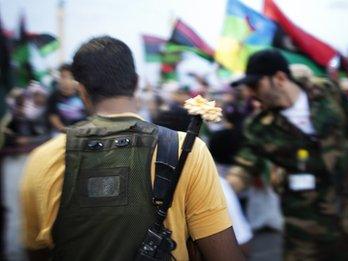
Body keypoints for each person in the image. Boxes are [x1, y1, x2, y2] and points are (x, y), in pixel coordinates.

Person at [20, 36, 244, 261]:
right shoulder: (187, 150)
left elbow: (36, 252)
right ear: (136, 83)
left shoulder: (42, 159)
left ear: (82, 91)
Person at [227, 49, 348, 260]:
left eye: (255, 85)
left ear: (280, 79)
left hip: (347, 212)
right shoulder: (259, 127)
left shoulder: (327, 92)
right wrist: (221, 190)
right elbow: (244, 167)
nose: (250, 94)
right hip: (303, 226)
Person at [47, 64, 88, 132]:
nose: (66, 81)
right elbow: (52, 115)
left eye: (70, 77)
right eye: (63, 77)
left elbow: (90, 110)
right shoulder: (54, 96)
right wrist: (63, 129)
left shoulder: (81, 92)